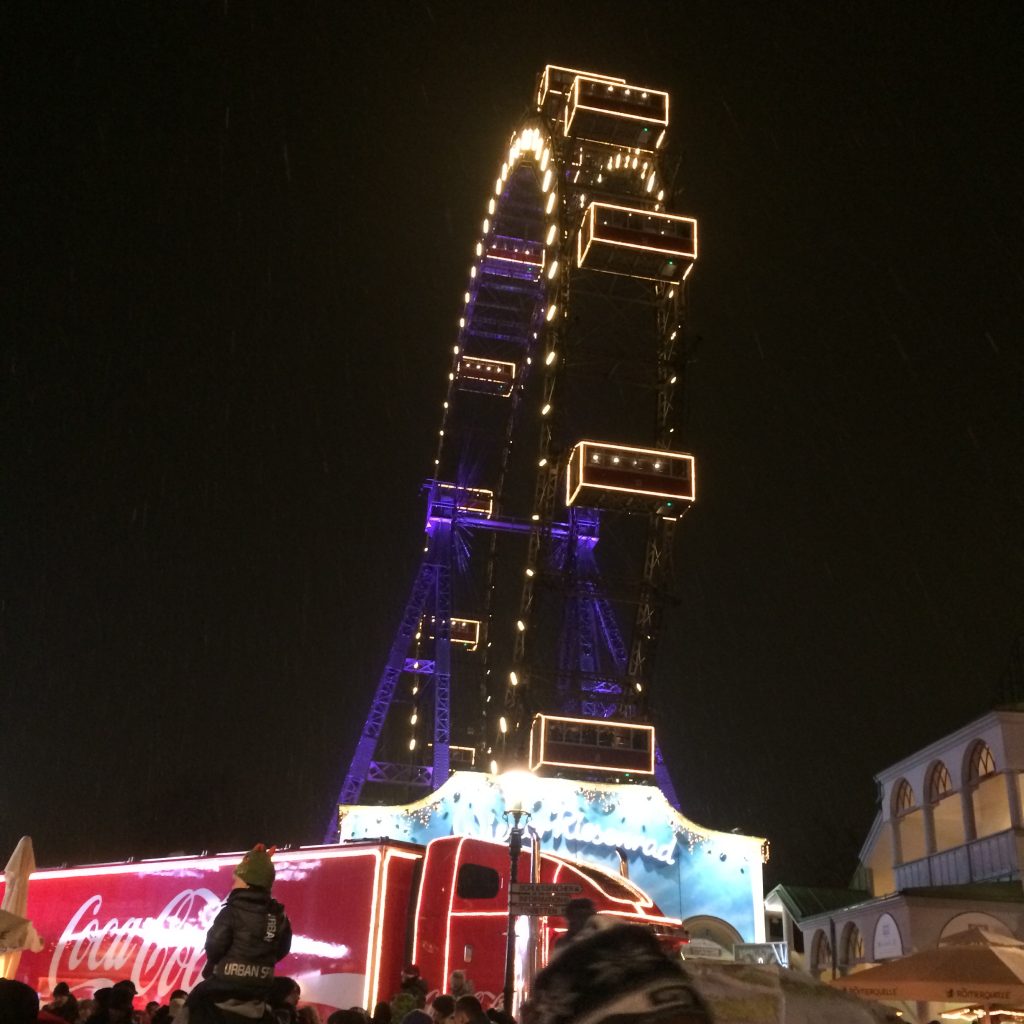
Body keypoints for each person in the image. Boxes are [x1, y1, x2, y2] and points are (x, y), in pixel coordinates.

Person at [185, 843, 292, 1024]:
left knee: (194, 1001)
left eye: (237, 880)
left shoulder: (233, 910)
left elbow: (215, 945)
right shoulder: (279, 914)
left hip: (227, 983)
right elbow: (282, 948)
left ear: (246, 882)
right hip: (260, 986)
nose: (234, 884)